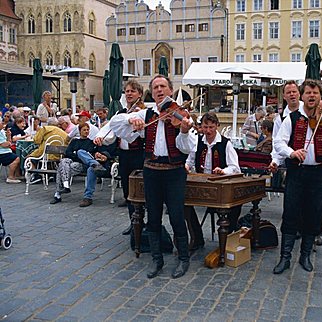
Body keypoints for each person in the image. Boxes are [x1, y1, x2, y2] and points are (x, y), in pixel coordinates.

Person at [110, 75, 196, 279]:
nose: (159, 90)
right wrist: (131, 119)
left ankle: (183, 259)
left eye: (163, 86)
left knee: (176, 216)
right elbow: (115, 123)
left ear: (170, 90)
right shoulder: (146, 113)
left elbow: (188, 147)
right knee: (153, 217)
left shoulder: (180, 114)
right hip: (151, 171)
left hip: (174, 172)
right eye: (155, 87)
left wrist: (183, 131)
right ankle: (157, 260)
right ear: (152, 92)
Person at [273, 79, 322, 274]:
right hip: (297, 172)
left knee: (314, 213)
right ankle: (285, 257)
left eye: (315, 93)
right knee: (291, 212)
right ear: (302, 96)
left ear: (320, 97)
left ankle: (305, 256)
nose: (312, 96)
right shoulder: (292, 118)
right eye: (308, 93)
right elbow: (279, 143)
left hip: (318, 172)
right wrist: (292, 153)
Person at [94, 79, 146, 235]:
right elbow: (110, 129)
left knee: (140, 191)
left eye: (132, 91)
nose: (129, 94)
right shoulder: (120, 113)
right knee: (128, 191)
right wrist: (100, 137)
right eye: (127, 91)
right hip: (124, 155)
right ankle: (134, 222)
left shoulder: (143, 112)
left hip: (139, 155)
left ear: (140, 94)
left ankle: (143, 223)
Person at [184, 112, 241, 250]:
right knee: (183, 203)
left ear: (217, 126)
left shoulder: (226, 144)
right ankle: (196, 237)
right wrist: (186, 166)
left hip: (219, 185)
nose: (208, 131)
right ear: (201, 127)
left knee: (235, 205)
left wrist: (223, 171)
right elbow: (189, 161)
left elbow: (235, 167)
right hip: (200, 184)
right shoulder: (197, 141)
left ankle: (227, 235)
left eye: (211, 127)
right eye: (205, 127)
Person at [50, 123, 111, 207]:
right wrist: (78, 157)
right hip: (73, 163)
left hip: (84, 165)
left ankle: (58, 194)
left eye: (87, 130)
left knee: (79, 152)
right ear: (79, 131)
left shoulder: (91, 142)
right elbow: (68, 152)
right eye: (84, 130)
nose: (86, 132)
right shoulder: (74, 141)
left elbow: (90, 155)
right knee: (63, 163)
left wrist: (77, 155)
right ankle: (65, 185)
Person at [0, 118, 21, 183]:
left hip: (6, 151)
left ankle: (17, 175)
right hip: (2, 153)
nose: (3, 124)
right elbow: (4, 144)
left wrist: (9, 135)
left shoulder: (2, 131)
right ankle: (10, 177)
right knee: (16, 158)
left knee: (17, 155)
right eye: (1, 123)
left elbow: (8, 142)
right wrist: (9, 143)